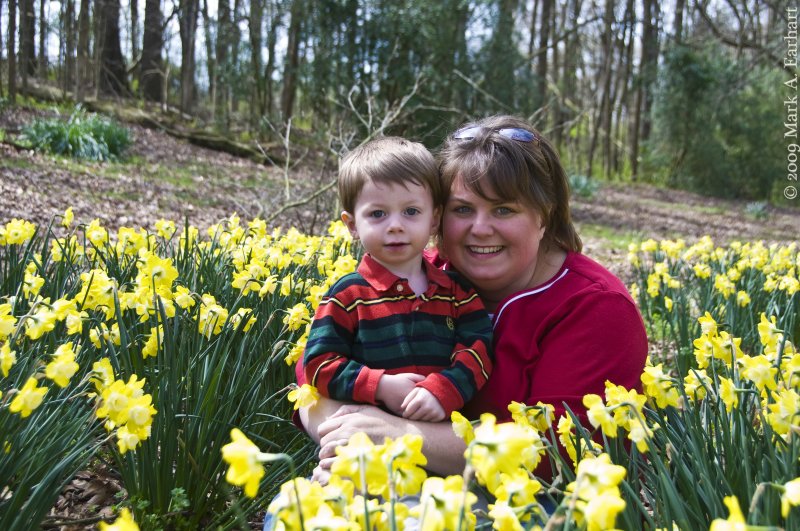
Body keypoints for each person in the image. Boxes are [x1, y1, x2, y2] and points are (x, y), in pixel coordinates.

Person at [296, 115, 648, 483]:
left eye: (504, 209)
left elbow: (556, 453)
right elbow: (314, 362)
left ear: (545, 216)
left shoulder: (596, 308)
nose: (480, 229)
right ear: (439, 217)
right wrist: (342, 433)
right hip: (380, 473)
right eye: (463, 209)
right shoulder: (422, 274)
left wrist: (393, 436)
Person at [303, 136, 493, 425]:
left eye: (411, 212)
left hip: (443, 442)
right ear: (352, 224)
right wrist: (379, 386)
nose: (395, 226)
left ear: (434, 219)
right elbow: (318, 365)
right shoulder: (346, 296)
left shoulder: (458, 293)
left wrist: (444, 390)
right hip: (367, 444)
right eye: (377, 214)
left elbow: (478, 353)